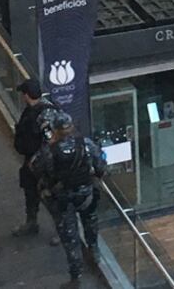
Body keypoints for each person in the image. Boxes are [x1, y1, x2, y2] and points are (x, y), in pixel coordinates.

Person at [31, 112, 108, 286]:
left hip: (63, 198)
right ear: (71, 127)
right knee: (90, 220)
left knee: (70, 237)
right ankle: (94, 250)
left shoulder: (50, 150)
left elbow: (36, 168)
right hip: (86, 193)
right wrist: (97, 176)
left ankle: (76, 276)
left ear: (56, 130)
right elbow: (101, 164)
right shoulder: (85, 144)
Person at [12, 78, 59, 239]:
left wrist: (38, 160)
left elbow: (51, 141)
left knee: (50, 196)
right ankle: (31, 222)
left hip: (43, 164)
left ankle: (60, 230)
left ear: (27, 95)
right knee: (30, 192)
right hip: (30, 160)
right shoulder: (31, 110)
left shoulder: (46, 113)